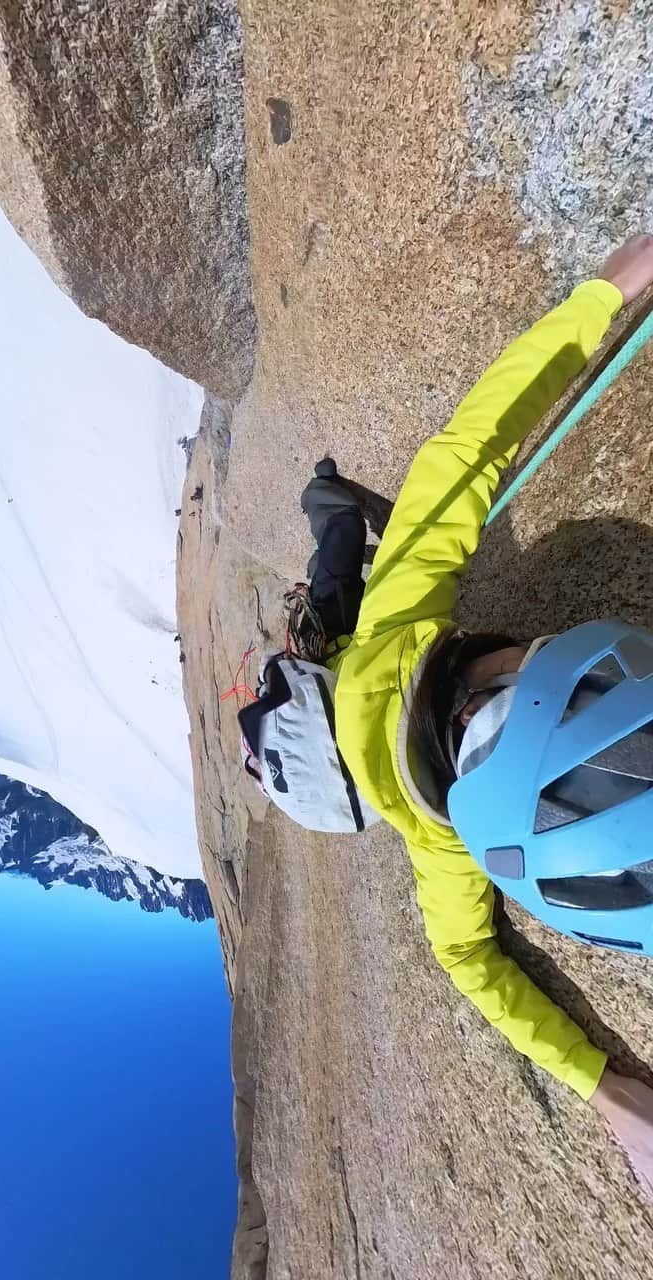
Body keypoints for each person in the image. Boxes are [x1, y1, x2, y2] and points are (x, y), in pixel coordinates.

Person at [314, 235, 653, 1191]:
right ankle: (330, 517)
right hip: (352, 686)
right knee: (341, 581)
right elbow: (464, 449)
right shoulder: (441, 844)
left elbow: (471, 445)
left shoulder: (405, 618)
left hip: (362, 653)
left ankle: (330, 512)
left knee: (341, 590)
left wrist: (615, 281)